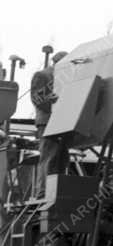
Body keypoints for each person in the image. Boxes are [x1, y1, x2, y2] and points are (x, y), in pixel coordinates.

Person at [30, 50, 68, 197]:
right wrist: (50, 101)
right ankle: (43, 192)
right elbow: (36, 99)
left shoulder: (63, 76)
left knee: (61, 157)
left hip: (61, 121)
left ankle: (55, 190)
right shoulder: (43, 75)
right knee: (49, 156)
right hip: (47, 122)